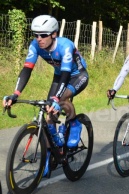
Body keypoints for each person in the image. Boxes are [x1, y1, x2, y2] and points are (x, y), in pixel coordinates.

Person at [2, 15, 89, 176]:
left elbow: (66, 72)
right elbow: (27, 69)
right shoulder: (35, 45)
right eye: (36, 35)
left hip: (77, 75)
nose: (39, 39)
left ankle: (75, 124)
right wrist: (15, 94)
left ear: (54, 34)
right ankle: (48, 159)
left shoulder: (65, 46)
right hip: (59, 76)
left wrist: (56, 98)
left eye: (43, 35)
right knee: (48, 116)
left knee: (61, 99)